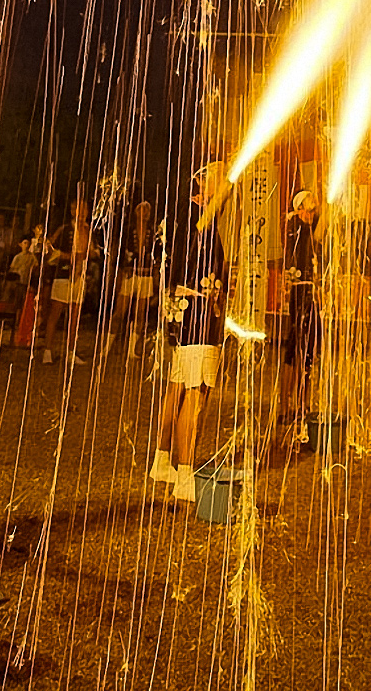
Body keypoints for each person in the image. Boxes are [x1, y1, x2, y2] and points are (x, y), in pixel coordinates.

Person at [150, 163, 228, 502]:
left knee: (178, 387)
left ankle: (161, 461)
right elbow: (197, 249)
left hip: (180, 310)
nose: (224, 186)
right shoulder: (197, 222)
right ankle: (185, 477)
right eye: (218, 180)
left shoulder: (180, 216)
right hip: (195, 312)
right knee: (196, 395)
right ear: (200, 183)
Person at [278, 190, 322, 424]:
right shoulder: (297, 229)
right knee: (298, 348)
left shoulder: (305, 231)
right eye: (309, 208)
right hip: (301, 294)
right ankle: (290, 403)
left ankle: (299, 403)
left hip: (308, 293)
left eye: (314, 210)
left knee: (303, 350)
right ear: (299, 209)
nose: (312, 213)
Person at [101, 194, 157, 360]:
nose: (144, 213)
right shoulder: (127, 231)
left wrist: (154, 277)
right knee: (119, 312)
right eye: (141, 209)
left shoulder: (153, 233)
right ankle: (106, 348)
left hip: (145, 276)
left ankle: (132, 350)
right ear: (135, 211)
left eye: (147, 210)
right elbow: (118, 253)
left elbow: (156, 257)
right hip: (129, 275)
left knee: (140, 314)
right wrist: (119, 273)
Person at [41, 197, 91, 365]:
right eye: (79, 209)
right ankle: (47, 350)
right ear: (72, 211)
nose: (83, 213)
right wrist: (64, 256)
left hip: (80, 275)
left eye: (85, 209)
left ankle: (71, 351)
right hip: (63, 274)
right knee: (56, 313)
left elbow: (91, 250)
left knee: (75, 315)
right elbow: (49, 247)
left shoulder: (88, 230)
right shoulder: (64, 229)